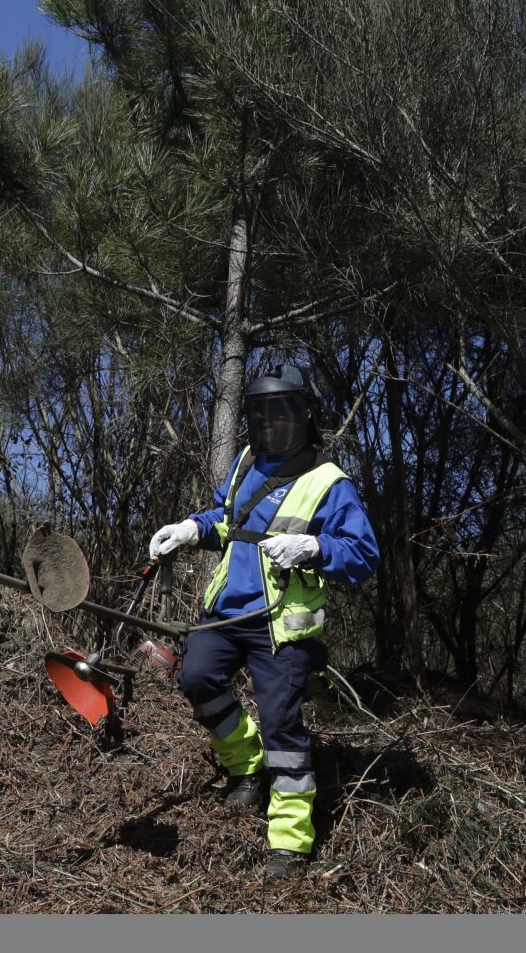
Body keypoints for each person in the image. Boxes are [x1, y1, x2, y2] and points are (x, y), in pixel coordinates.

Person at [147, 363, 379, 878]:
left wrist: (314, 547)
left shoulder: (329, 482)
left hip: (280, 625)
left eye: (282, 413)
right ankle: (244, 765)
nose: (271, 424)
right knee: (196, 677)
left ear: (305, 415)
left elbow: (363, 555)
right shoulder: (246, 464)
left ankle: (290, 842)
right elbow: (224, 521)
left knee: (283, 725)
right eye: (261, 414)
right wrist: (188, 529)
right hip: (226, 610)